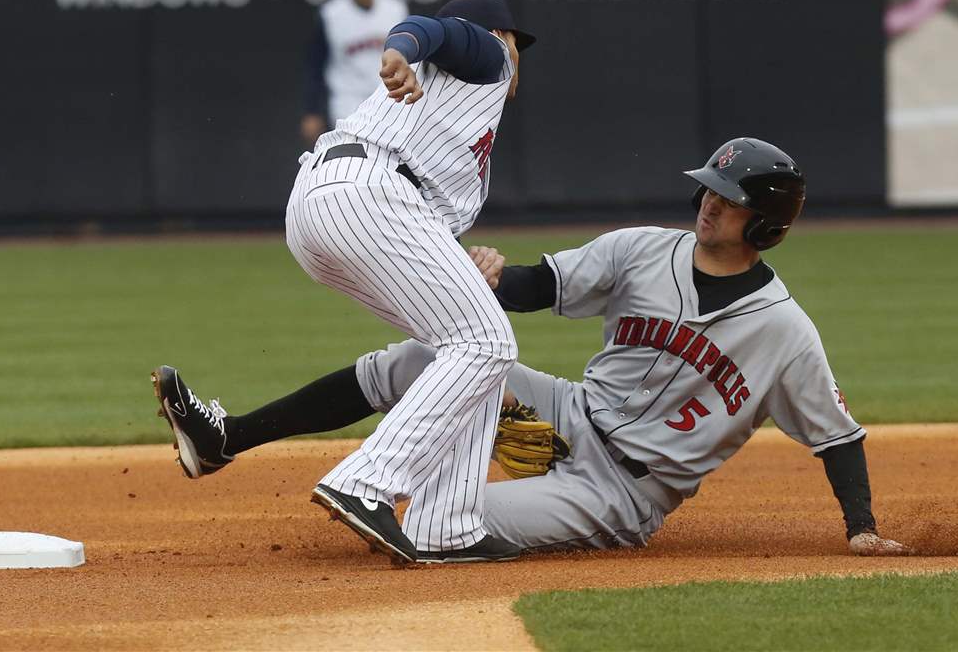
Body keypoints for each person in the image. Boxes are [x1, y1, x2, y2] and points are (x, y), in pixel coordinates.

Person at [152, 138, 910, 560]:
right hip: (568, 417)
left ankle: (442, 521)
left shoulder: (784, 331)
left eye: (731, 198)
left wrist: (861, 526)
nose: (711, 202)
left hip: (624, 492)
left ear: (766, 225)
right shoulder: (643, 250)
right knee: (418, 357)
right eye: (711, 188)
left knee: (435, 529)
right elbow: (539, 284)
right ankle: (226, 439)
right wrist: (485, 273)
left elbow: (837, 437)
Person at [154, 0, 536, 566]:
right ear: (499, 35)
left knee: (467, 345)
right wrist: (401, 51)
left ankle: (448, 525)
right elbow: (428, 29)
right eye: (514, 40)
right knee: (484, 341)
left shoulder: (460, 113)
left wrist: (464, 266)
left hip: (329, 204)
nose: (517, 56)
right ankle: (366, 481)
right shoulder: (489, 54)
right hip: (366, 193)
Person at [300, 0, 408, 144]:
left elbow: (410, 59)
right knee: (351, 160)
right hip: (347, 101)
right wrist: (312, 110)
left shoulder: (396, 9)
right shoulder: (332, 13)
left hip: (387, 98)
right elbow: (315, 65)